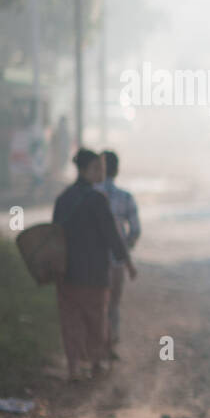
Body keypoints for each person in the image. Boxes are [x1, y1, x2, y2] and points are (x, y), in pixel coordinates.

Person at [52, 148, 136, 382]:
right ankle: (97, 365)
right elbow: (112, 236)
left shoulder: (63, 199)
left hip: (67, 272)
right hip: (95, 273)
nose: (102, 172)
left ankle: (73, 369)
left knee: (71, 321)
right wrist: (127, 262)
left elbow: (53, 236)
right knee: (96, 319)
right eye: (98, 168)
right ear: (86, 170)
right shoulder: (98, 200)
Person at [95, 150, 141, 360]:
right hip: (116, 260)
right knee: (112, 304)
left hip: (92, 261)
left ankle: (96, 348)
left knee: (96, 304)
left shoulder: (90, 195)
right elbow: (135, 230)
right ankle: (110, 344)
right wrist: (125, 249)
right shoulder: (125, 197)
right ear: (117, 169)